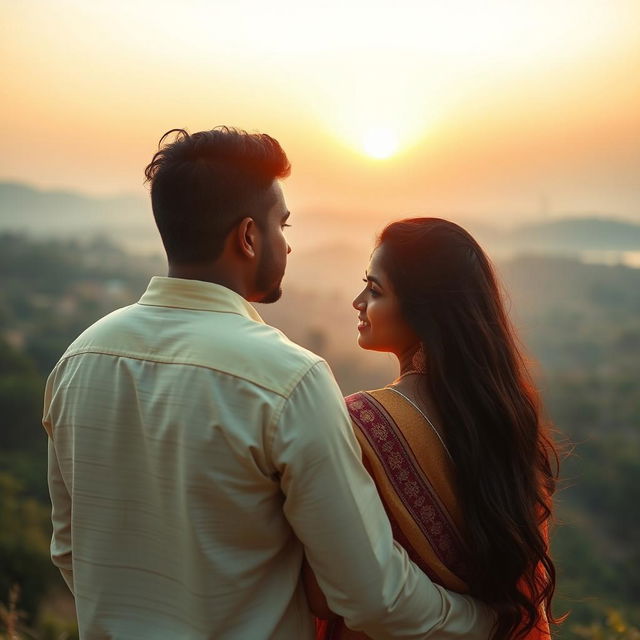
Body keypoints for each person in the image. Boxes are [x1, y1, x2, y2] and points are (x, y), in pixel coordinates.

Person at [42, 128, 495, 639]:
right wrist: (485, 620)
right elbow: (371, 596)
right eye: (282, 224)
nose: (288, 241)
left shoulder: (78, 360)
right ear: (249, 237)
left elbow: (70, 550)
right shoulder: (288, 381)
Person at [305, 218, 559, 640]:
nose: (357, 301)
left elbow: (326, 593)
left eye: (374, 290)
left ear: (424, 312)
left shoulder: (362, 420)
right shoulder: (504, 421)